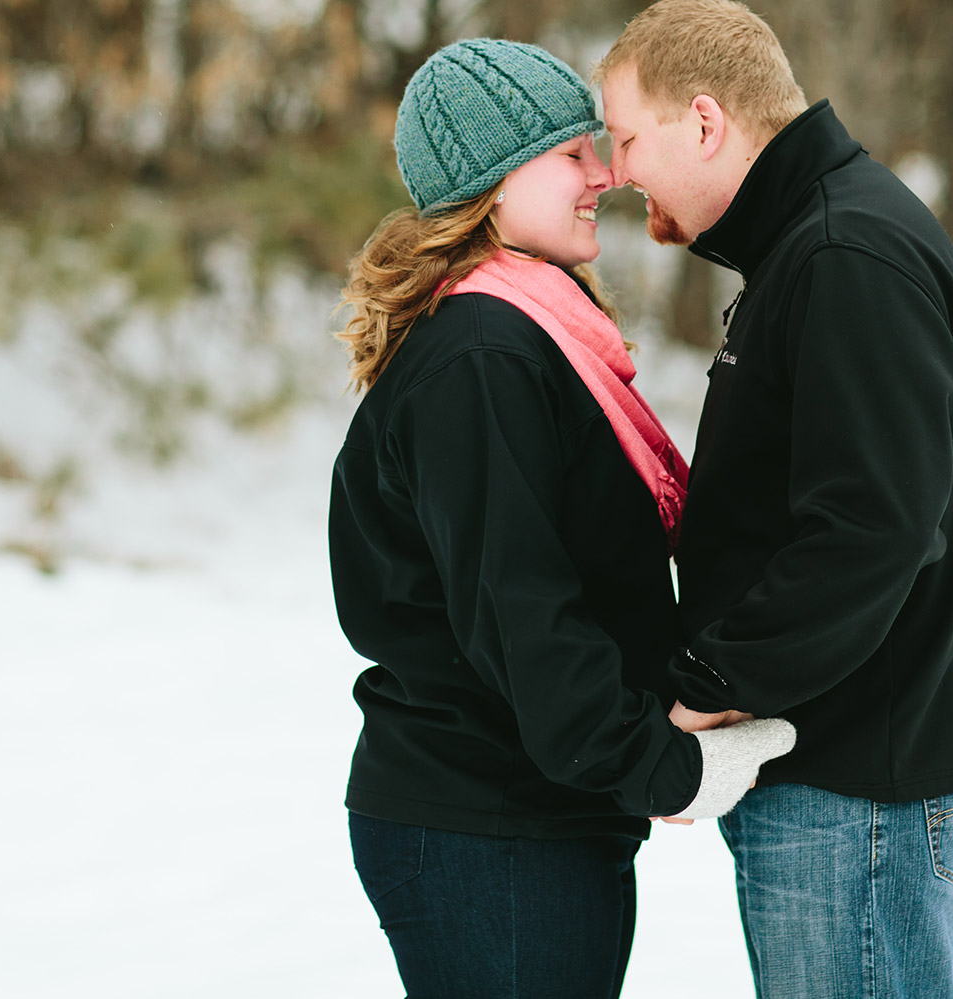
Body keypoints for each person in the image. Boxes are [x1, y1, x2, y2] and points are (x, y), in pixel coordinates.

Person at [593, 2, 953, 997]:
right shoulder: (812, 243)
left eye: (628, 138)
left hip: (868, 779)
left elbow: (873, 526)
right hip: (854, 763)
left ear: (707, 122)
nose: (616, 171)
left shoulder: (844, 252)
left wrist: (711, 676)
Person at [328, 37, 796, 999]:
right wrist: (662, 766)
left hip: (527, 815)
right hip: (485, 825)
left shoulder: (522, 332)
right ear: (491, 182)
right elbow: (523, 610)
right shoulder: (482, 356)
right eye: (570, 153)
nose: (605, 173)